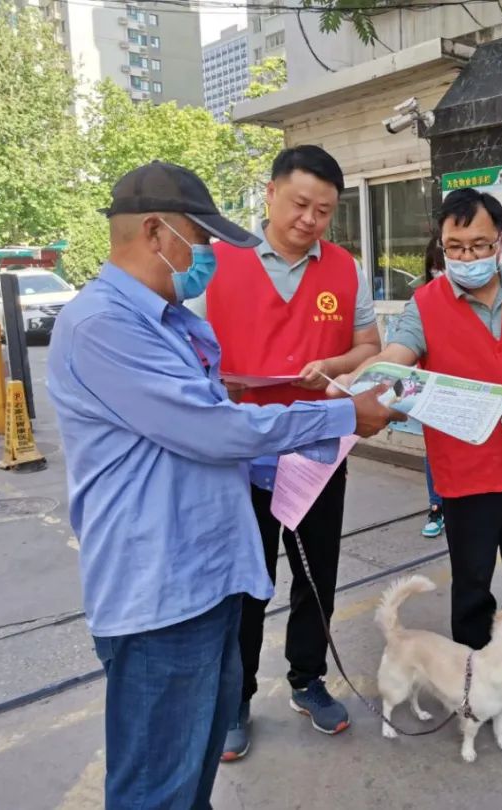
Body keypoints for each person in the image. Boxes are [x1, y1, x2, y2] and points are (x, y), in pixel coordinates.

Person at [45, 161, 397, 809]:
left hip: (208, 582)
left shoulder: (173, 321)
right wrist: (348, 413)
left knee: (191, 782)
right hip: (160, 599)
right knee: (157, 792)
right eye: (200, 240)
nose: (207, 255)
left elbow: (212, 411)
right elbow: (211, 430)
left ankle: (303, 676)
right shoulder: (106, 326)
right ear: (156, 233)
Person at [334, 188, 502, 710]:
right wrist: (357, 376)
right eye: (455, 246)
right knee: (472, 585)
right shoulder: (426, 302)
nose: (467, 257)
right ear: (442, 245)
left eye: (479, 245)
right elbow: (398, 355)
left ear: (500, 241)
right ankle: (472, 675)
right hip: (468, 470)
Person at [192, 145, 380, 757]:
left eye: (324, 211)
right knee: (245, 580)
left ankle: (307, 678)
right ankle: (236, 697)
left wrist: (337, 364)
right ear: (270, 193)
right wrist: (215, 382)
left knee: (316, 572)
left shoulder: (344, 269)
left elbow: (369, 346)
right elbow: (181, 353)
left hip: (317, 450)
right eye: (300, 203)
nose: (310, 219)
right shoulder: (213, 265)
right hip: (238, 451)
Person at [420, 234, 445, 538]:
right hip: (433, 390)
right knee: (435, 451)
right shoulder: (423, 301)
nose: (440, 273)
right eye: (434, 268)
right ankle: (437, 507)